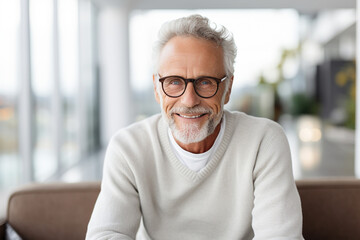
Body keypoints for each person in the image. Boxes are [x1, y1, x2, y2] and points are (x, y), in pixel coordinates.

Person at [86, 14, 303, 240]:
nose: (189, 101)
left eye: (206, 82)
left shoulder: (264, 141)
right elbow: (106, 235)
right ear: (156, 89)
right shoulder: (128, 148)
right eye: (174, 82)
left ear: (227, 89)